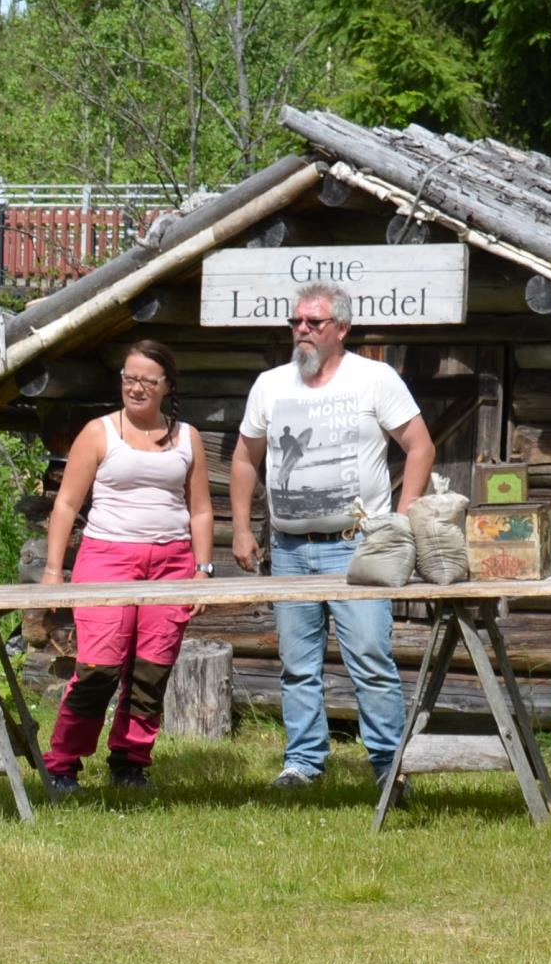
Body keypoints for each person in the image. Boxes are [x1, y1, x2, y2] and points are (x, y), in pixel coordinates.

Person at [229, 282, 435, 794]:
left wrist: (401, 521)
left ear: (341, 329)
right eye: (296, 321)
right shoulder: (270, 385)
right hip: (290, 548)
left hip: (359, 545)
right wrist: (238, 527)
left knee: (369, 657)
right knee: (298, 664)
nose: (302, 330)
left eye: (313, 323)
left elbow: (420, 447)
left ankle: (390, 765)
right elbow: (242, 458)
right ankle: (302, 763)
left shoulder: (374, 379)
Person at [39, 341, 214, 793]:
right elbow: (67, 504)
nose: (135, 388)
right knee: (99, 668)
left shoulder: (187, 436)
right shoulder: (99, 432)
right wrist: (53, 571)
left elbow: (200, 510)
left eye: (146, 381)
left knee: (152, 671)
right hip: (107, 558)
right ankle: (61, 764)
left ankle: (130, 764)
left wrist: (202, 570)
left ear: (167, 386)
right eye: (128, 378)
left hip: (172, 563)